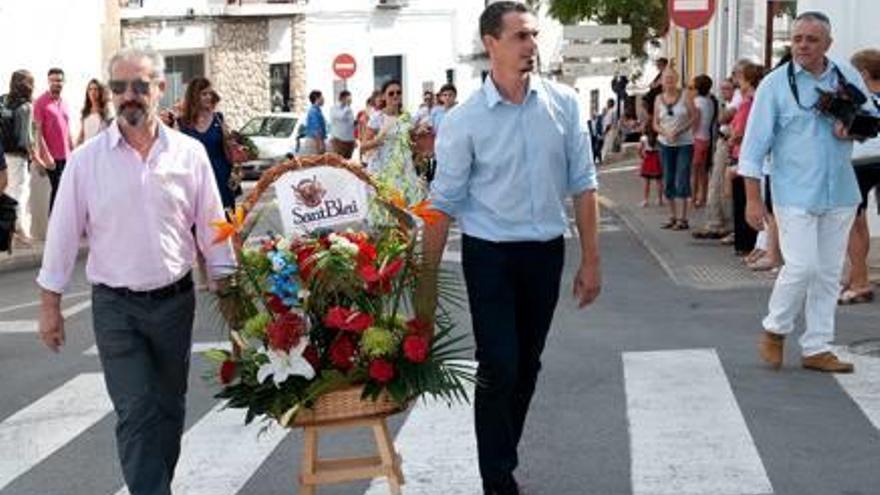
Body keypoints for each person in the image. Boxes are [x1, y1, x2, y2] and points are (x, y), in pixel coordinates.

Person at [36, 47, 236, 495]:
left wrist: (231, 293)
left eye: (140, 86)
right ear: (110, 94)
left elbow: (212, 227)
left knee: (168, 410)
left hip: (174, 303)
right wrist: (50, 304)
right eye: (120, 87)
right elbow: (63, 233)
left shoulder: (189, 154)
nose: (129, 95)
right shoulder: (87, 162)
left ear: (160, 90)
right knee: (136, 410)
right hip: (116, 308)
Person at [420, 3, 601, 493]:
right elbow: (442, 205)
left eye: (534, 35)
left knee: (527, 365)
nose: (531, 45)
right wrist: (426, 283)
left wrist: (591, 261)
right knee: (499, 363)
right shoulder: (464, 120)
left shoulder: (564, 105)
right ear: (491, 43)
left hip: (545, 254)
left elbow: (584, 186)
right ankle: (497, 479)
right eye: (520, 36)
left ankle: (502, 457)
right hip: (490, 256)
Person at [741, 12, 875, 373]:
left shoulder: (845, 74)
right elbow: (752, 148)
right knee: (802, 267)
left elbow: (871, 118)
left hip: (840, 190)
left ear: (827, 44)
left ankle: (817, 346)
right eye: (798, 38)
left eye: (811, 39)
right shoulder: (774, 85)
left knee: (829, 273)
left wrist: (853, 128)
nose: (802, 45)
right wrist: (753, 199)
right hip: (794, 191)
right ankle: (775, 328)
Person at [840, 48, 880, 304]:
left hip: (861, 161)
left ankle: (859, 281)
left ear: (863, 73)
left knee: (855, 223)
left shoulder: (859, 97)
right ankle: (857, 275)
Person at [359, 79, 425, 214]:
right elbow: (363, 146)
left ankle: (403, 234)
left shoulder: (406, 117)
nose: (395, 95)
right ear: (383, 96)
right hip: (383, 168)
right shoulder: (377, 118)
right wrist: (377, 141)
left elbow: (410, 139)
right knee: (386, 210)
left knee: (405, 211)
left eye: (398, 92)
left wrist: (419, 134)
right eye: (391, 93)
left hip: (404, 168)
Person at [177, 77, 238, 211]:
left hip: (221, 176)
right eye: (204, 94)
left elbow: (230, 146)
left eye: (210, 93)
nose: (208, 97)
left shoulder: (219, 119)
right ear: (194, 96)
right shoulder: (182, 123)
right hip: (195, 178)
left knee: (224, 222)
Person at [653, 67, 696, 230]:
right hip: (664, 143)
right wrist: (665, 132)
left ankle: (683, 218)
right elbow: (655, 123)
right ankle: (672, 215)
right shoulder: (658, 99)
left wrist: (679, 131)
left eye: (672, 78)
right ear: (662, 81)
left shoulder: (686, 96)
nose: (669, 81)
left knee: (682, 177)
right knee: (668, 178)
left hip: (684, 143)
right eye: (666, 78)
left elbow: (694, 117)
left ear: (676, 80)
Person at [728, 63, 763, 256]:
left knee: (744, 201)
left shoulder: (750, 102)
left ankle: (746, 244)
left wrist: (732, 137)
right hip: (743, 153)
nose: (736, 82)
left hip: (744, 155)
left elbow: (743, 130)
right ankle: (746, 243)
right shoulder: (750, 100)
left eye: (738, 78)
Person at [2, 70, 37, 245]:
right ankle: (20, 231)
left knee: (6, 192)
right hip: (17, 156)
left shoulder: (2, 100)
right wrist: (35, 156)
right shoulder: (26, 106)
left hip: (2, 155)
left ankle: (9, 233)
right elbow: (26, 138)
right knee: (19, 193)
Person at [34, 67, 73, 213]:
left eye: (59, 80)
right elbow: (38, 132)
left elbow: (67, 130)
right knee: (58, 191)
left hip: (66, 156)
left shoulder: (64, 102)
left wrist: (74, 151)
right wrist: (45, 156)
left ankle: (61, 228)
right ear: (48, 81)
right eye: (53, 80)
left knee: (64, 193)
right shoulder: (40, 102)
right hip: (52, 157)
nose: (57, 83)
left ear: (64, 82)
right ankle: (54, 229)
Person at [690, 74, 717, 207]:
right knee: (703, 171)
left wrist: (690, 134)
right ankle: (703, 197)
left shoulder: (697, 102)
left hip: (697, 138)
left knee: (694, 171)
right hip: (706, 137)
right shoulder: (710, 101)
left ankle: (694, 198)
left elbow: (696, 120)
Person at [76, 78, 111, 146]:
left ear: (100, 91)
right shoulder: (85, 112)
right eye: (90, 89)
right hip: (87, 150)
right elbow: (82, 135)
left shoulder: (106, 111)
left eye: (96, 89)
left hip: (101, 149)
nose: (93, 92)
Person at [639, 126, 663, 207]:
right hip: (656, 158)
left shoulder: (643, 138)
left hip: (648, 158)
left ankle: (646, 200)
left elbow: (639, 149)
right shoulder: (659, 138)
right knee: (659, 181)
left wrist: (641, 156)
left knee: (646, 182)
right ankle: (660, 199)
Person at [329, 89, 356, 159]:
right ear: (342, 98)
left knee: (347, 164)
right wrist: (347, 107)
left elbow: (351, 124)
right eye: (348, 99)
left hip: (349, 141)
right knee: (339, 163)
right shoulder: (334, 108)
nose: (350, 101)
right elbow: (340, 116)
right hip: (339, 140)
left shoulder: (349, 109)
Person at [301, 90, 326, 154]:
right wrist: (320, 144)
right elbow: (316, 129)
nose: (324, 99)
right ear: (317, 99)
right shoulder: (314, 111)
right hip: (314, 141)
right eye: (322, 97)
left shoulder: (317, 110)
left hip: (316, 140)